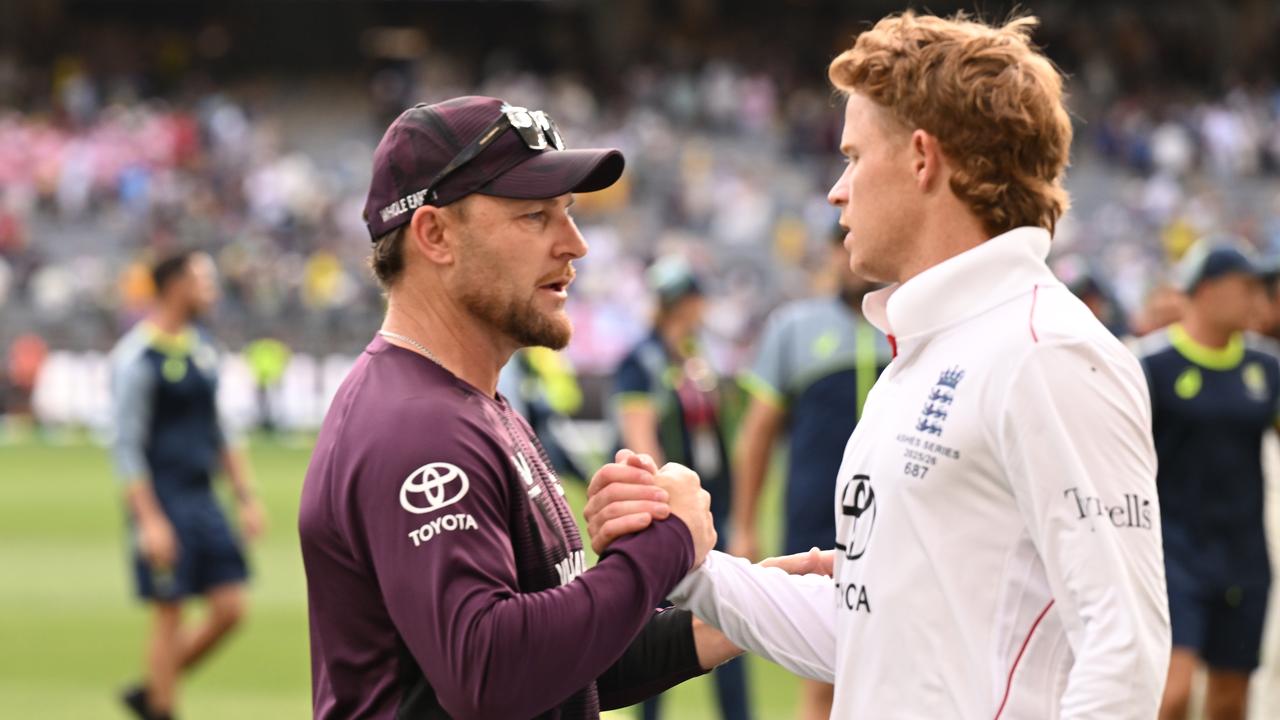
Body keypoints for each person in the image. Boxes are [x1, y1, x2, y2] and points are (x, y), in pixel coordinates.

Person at [586, 12, 1170, 718]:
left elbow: (1125, 653)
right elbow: (869, 630)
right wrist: (693, 562)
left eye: (854, 156)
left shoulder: (1048, 351)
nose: (837, 189)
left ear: (923, 159)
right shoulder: (928, 348)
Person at [297, 96, 740, 719]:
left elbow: (563, 668)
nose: (576, 245)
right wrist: (668, 544)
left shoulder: (471, 403)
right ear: (435, 235)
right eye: (535, 215)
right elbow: (491, 672)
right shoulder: (420, 427)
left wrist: (751, 607)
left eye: (568, 211)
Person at [728, 228, 890, 720]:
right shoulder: (795, 327)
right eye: (841, 243)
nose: (850, 255)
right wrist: (745, 523)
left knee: (900, 676)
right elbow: (756, 436)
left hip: (902, 525)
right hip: (820, 531)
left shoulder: (910, 326)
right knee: (826, 680)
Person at [110, 250, 265, 720]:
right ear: (175, 286)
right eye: (203, 280)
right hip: (163, 499)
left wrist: (246, 496)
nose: (211, 289)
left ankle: (153, 687)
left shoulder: (202, 348)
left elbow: (223, 432)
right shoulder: (136, 357)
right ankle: (161, 705)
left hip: (203, 498)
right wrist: (150, 521)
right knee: (170, 610)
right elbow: (126, 447)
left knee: (231, 607)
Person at [1136, 239, 1279, 720]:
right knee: (1172, 692)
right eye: (1247, 286)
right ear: (1209, 290)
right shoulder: (1151, 365)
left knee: (1230, 700)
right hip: (1172, 551)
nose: (1258, 297)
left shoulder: (1266, 368)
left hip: (1244, 555)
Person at [612, 256, 751, 720]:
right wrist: (669, 518)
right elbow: (641, 441)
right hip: (670, 521)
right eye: (691, 299)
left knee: (731, 626)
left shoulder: (695, 356)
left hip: (711, 512)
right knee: (658, 640)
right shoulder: (642, 359)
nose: (696, 306)